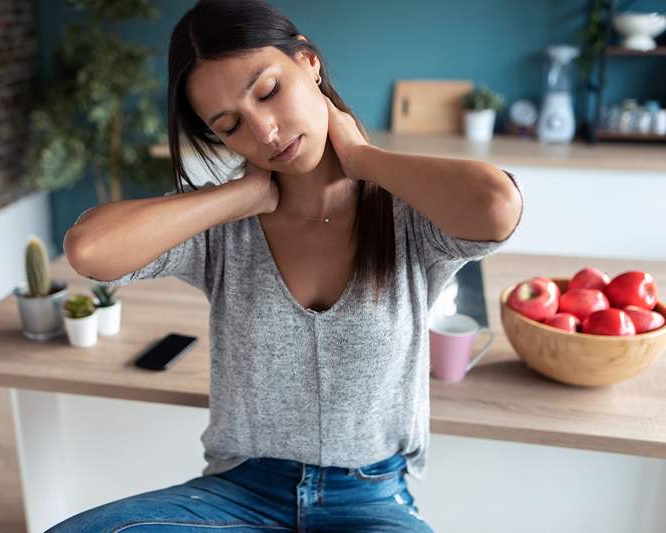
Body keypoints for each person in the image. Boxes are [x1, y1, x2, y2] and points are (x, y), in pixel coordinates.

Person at [53, 0, 524, 531]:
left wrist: (362, 158)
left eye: (269, 91)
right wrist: (239, 197)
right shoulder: (223, 232)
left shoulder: (407, 213)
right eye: (231, 126)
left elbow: (497, 207)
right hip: (238, 494)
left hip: (370, 499)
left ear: (309, 62)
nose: (266, 132)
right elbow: (89, 250)